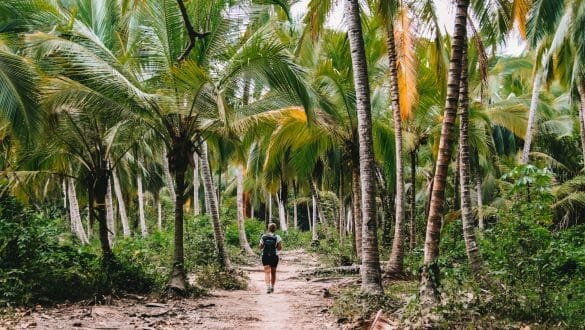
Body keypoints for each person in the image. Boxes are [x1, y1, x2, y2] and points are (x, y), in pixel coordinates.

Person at [259, 223, 282, 293]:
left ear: (268, 228)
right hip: (274, 256)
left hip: (265, 256)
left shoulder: (264, 236)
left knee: (266, 272)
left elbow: (260, 247)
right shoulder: (277, 237)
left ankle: (268, 287)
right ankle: (272, 287)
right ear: (275, 229)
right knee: (273, 272)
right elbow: (279, 248)